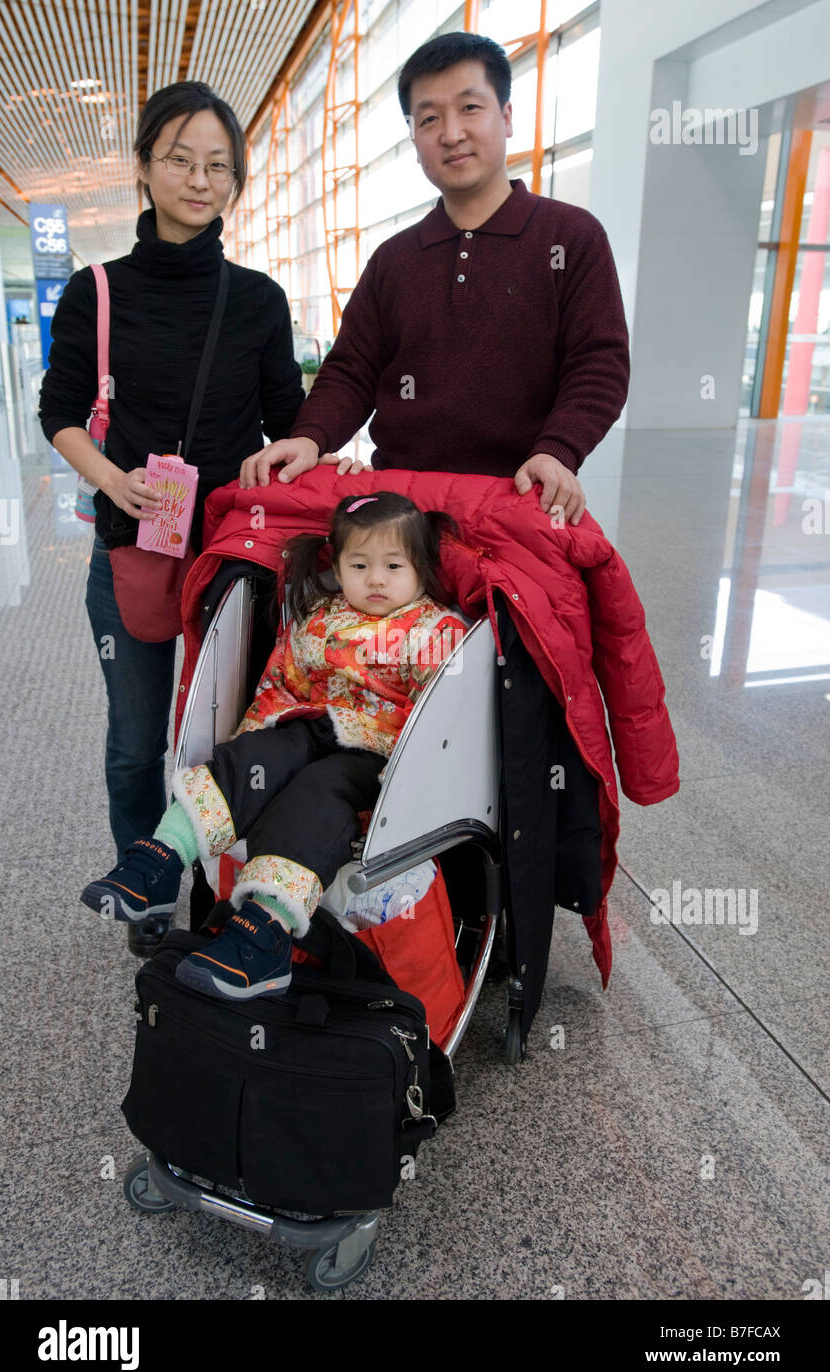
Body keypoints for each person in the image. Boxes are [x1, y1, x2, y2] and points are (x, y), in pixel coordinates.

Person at [39, 81, 309, 951]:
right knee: (134, 739)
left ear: (236, 180)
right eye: (180, 160)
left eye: (219, 165)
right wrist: (113, 482)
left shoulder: (260, 300)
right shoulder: (98, 291)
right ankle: (146, 890)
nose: (200, 179)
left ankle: (239, 895)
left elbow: (288, 422)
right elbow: (60, 409)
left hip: (233, 557)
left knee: (233, 738)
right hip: (133, 551)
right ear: (146, 168)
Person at [79, 492, 468, 998]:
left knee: (315, 792)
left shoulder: (435, 629)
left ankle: (264, 931)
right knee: (254, 758)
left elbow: (439, 719)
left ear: (420, 568)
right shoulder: (318, 618)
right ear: (338, 566)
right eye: (360, 564)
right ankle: (160, 857)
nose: (376, 579)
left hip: (374, 756)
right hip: (304, 726)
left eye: (393, 565)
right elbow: (279, 686)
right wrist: (261, 737)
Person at [238, 31, 630, 524]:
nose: (451, 133)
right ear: (414, 137)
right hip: (399, 512)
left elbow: (599, 364)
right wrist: (309, 437)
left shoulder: (571, 236)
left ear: (506, 118)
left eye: (470, 108)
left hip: (518, 501)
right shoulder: (395, 258)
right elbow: (352, 368)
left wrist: (558, 450)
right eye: (429, 118)